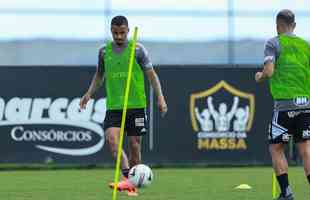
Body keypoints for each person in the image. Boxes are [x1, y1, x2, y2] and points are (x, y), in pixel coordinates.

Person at [79, 15, 168, 196]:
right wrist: (89, 93)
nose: (118, 36)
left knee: (134, 145)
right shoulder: (104, 52)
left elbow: (152, 76)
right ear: (111, 31)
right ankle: (128, 179)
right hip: (115, 106)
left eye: (122, 33)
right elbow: (99, 75)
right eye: (115, 33)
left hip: (136, 105)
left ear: (128, 30)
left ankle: (132, 184)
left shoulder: (138, 50)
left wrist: (160, 97)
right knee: (112, 141)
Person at [255, 9, 310, 200]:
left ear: (278, 25)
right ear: (294, 25)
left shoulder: (273, 43)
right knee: (306, 150)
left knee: (276, 148)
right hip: (306, 106)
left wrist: (260, 76)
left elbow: (269, 71)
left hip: (284, 107)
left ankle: (286, 193)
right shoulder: (306, 45)